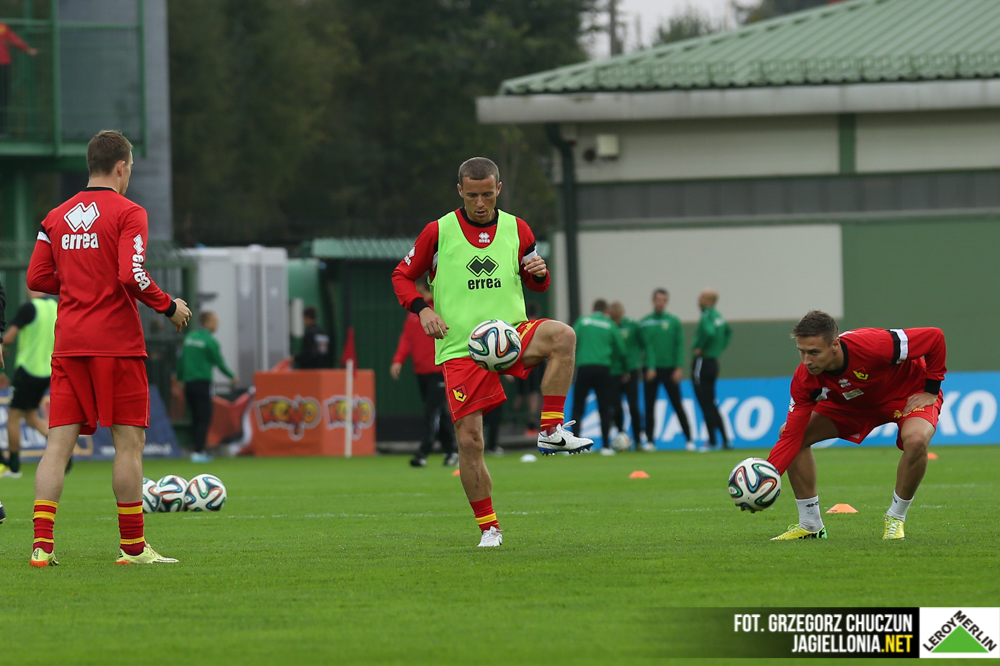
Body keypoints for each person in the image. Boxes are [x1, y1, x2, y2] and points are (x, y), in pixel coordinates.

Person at [391, 156, 592, 548]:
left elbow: (537, 284)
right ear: (460, 191)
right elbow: (402, 275)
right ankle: (489, 528)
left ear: (498, 189)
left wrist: (540, 273)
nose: (480, 203)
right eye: (472, 196)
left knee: (563, 336)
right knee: (470, 441)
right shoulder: (438, 231)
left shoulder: (519, 228)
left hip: (510, 335)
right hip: (461, 346)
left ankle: (551, 430)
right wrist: (423, 309)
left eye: (487, 194)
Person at [26, 129, 192, 566]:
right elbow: (130, 274)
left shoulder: (55, 216)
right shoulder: (129, 212)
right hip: (115, 343)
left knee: (57, 446)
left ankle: (42, 546)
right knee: (128, 444)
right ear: (121, 167)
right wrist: (168, 306)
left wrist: (77, 281)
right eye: (131, 167)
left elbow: (36, 278)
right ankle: (133, 548)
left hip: (70, 344)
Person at [767, 311, 946, 541]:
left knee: (917, 439)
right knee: (789, 432)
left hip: (907, 394)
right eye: (802, 351)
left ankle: (895, 518)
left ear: (835, 345)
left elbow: (934, 338)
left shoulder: (874, 345)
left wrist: (931, 390)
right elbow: (792, 436)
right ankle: (811, 525)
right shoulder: (805, 379)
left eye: (814, 352)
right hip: (854, 405)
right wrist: (768, 477)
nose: (807, 360)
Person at [390, 278, 457, 468]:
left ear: (420, 287)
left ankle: (423, 453)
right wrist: (398, 360)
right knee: (438, 413)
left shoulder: (441, 308)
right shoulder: (416, 312)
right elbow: (407, 338)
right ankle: (451, 451)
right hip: (421, 370)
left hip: (439, 369)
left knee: (431, 413)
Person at [1, 287, 57, 478]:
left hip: (28, 370)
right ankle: (62, 450)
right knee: (31, 417)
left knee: (13, 417)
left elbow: (8, 337)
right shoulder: (54, 306)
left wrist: (3, 346)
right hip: (47, 370)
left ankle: (14, 467)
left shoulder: (29, 308)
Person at [176, 310, 237, 463]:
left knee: (194, 417)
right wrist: (232, 376)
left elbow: (181, 361)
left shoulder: (189, 338)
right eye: (215, 321)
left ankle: (195, 450)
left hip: (189, 384)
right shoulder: (210, 341)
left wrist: (179, 379)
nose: (218, 324)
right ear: (207, 322)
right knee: (204, 417)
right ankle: (199, 451)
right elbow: (219, 362)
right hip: (203, 383)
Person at [640, 289, 693, 451]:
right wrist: (650, 366)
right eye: (658, 299)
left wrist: (678, 367)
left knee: (677, 404)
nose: (660, 303)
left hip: (670, 369)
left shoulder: (673, 321)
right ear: (653, 300)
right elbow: (645, 347)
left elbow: (679, 345)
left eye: (663, 300)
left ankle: (689, 440)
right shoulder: (645, 322)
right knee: (649, 406)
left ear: (666, 302)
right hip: (651, 370)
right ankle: (650, 441)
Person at [571, 299, 626, 455]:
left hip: (584, 367)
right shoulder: (609, 324)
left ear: (593, 308)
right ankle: (606, 446)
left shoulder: (583, 321)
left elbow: (571, 339)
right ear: (606, 310)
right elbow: (621, 349)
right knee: (604, 408)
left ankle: (575, 445)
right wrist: (622, 367)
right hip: (603, 369)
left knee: (578, 406)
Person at [692, 288, 732, 451]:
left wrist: (701, 347)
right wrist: (719, 348)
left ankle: (712, 441)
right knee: (711, 402)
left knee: (704, 402)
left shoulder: (707, 315)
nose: (698, 299)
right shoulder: (718, 316)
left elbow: (708, 332)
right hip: (713, 361)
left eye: (702, 297)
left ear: (709, 300)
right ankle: (725, 440)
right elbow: (728, 331)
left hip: (702, 361)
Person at [608, 301, 644, 451]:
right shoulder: (608, 326)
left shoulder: (632, 325)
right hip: (613, 372)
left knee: (634, 407)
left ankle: (638, 440)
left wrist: (633, 364)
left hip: (631, 371)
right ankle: (621, 436)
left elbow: (643, 344)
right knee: (616, 408)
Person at [0, 22, 38, 137]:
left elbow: (13, 39)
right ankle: (1, 130)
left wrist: (27, 48)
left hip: (3, 65)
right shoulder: (2, 27)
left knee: (3, 97)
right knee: (3, 97)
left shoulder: (2, 27)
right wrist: (28, 49)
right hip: (3, 66)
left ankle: (1, 130)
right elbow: (13, 39)